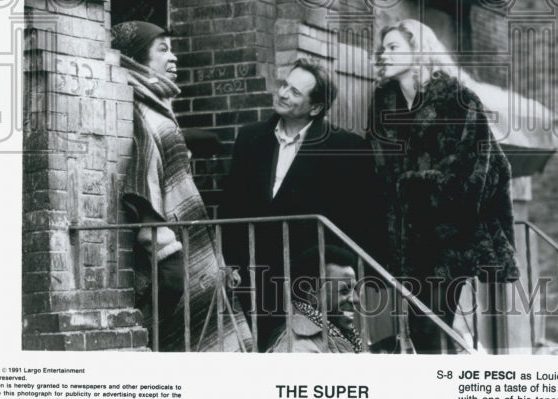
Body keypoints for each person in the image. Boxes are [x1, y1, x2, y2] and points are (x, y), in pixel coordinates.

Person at [367, 19, 519, 353]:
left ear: (418, 50)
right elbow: (377, 170)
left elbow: (476, 169)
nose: (384, 54)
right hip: (402, 241)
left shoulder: (457, 100)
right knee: (420, 332)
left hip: (447, 239)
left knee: (429, 327)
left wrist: (414, 185)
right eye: (383, 49)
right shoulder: (382, 103)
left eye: (393, 48)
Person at [219, 57, 386, 350]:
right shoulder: (250, 138)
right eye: (285, 85)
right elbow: (232, 204)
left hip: (310, 283)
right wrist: (229, 261)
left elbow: (362, 220)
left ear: (316, 107)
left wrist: (348, 280)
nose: (283, 93)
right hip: (253, 279)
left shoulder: (346, 148)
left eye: (295, 92)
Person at [110, 20, 251, 352]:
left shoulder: (155, 106)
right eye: (162, 49)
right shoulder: (139, 113)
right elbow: (144, 191)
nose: (173, 58)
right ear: (134, 57)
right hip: (175, 261)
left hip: (193, 261)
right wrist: (172, 265)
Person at [267, 245, 364, 353]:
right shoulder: (299, 348)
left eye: (355, 289)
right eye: (344, 291)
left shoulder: (345, 336)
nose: (356, 299)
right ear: (313, 297)